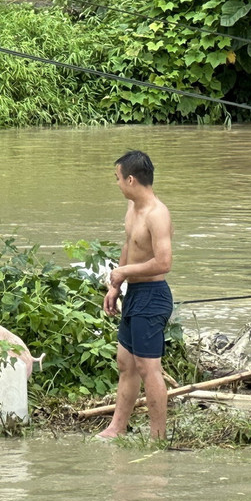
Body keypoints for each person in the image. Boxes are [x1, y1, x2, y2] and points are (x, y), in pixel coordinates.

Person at [100, 150, 174, 440]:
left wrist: (126, 273)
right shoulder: (132, 210)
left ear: (131, 179)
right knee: (125, 363)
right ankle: (117, 428)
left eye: (118, 178)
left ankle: (157, 437)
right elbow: (128, 247)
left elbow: (164, 262)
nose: (117, 184)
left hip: (153, 295)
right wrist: (115, 286)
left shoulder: (158, 214)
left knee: (148, 368)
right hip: (133, 293)